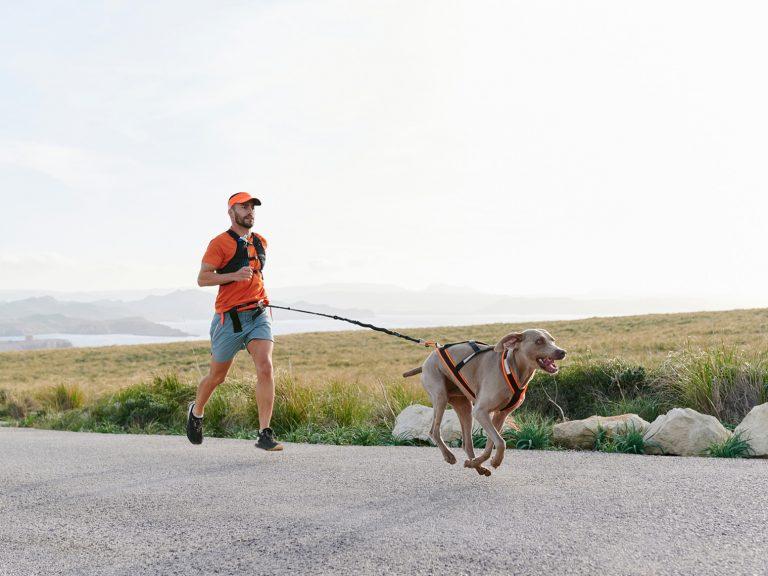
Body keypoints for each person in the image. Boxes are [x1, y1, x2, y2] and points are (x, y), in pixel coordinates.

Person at [186, 192, 282, 451]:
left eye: (252, 207)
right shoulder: (219, 243)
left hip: (258, 314)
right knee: (217, 377)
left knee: (265, 367)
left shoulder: (261, 241)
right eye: (244, 207)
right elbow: (203, 278)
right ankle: (196, 412)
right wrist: (233, 275)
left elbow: (256, 277)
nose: (250, 211)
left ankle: (264, 433)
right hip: (229, 319)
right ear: (231, 212)